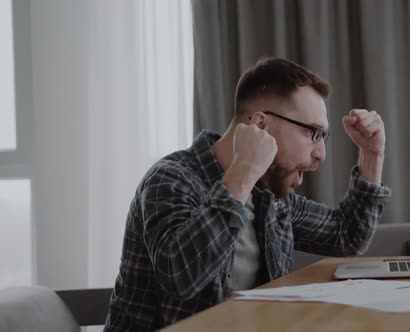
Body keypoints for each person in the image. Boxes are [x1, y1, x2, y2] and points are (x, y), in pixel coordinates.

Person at [104, 57, 391, 331]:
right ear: (260, 125)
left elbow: (346, 236)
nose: (321, 154)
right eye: (313, 134)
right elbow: (182, 277)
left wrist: (371, 154)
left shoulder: (271, 197)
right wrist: (243, 170)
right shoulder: (171, 179)